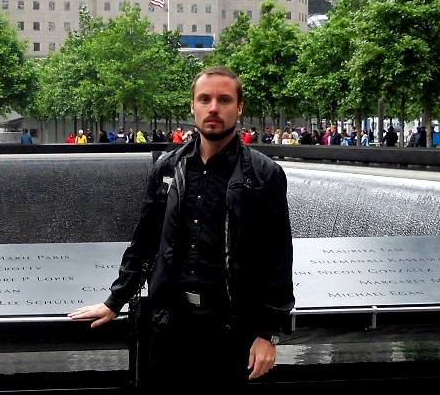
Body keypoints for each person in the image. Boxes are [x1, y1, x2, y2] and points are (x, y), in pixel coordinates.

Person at [69, 66, 294, 387]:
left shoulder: (264, 174)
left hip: (232, 332)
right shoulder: (167, 168)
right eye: (204, 99)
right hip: (169, 326)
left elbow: (277, 256)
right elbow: (145, 241)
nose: (213, 108)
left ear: (239, 107)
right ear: (192, 106)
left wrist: (266, 334)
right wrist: (115, 300)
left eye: (224, 100)